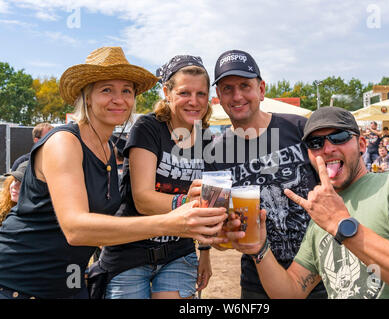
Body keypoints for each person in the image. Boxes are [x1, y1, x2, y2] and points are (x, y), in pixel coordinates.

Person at [0, 47, 227, 299]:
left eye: (126, 91)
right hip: (17, 282)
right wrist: (175, 219)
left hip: (66, 286)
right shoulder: (64, 142)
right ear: (87, 96)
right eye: (107, 89)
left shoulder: (107, 147)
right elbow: (76, 229)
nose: (118, 99)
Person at [226, 106, 389, 299]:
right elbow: (292, 290)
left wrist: (343, 225)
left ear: (362, 144)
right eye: (316, 143)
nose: (328, 148)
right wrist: (259, 249)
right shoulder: (321, 217)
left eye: (339, 137)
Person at [205, 49, 326, 299]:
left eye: (244, 86)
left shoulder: (299, 129)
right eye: (227, 88)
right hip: (258, 279)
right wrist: (224, 234)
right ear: (218, 96)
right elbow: (216, 233)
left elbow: (339, 187)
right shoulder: (214, 154)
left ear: (261, 89)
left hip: (322, 272)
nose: (237, 95)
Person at [99, 55, 214, 299]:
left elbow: (208, 199)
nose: (194, 101)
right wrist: (186, 203)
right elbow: (143, 199)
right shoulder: (148, 128)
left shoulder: (206, 137)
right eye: (185, 93)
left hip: (179, 252)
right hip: (130, 250)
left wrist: (204, 251)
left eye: (201, 94)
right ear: (167, 92)